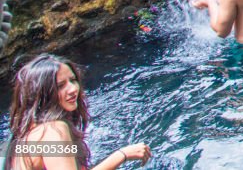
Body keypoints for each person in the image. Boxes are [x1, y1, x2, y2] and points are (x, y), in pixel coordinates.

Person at [4, 53, 151, 170]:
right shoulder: (53, 130)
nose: (73, 89)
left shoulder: (26, 131)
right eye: (61, 85)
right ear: (43, 93)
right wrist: (122, 155)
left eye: (73, 80)